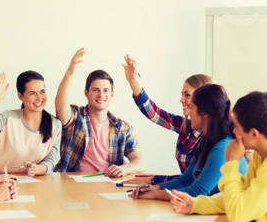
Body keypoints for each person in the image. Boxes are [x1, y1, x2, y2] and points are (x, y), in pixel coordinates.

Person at [170, 91, 267, 222]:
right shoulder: (260, 156)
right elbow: (237, 196)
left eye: (236, 126)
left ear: (254, 134)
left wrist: (231, 163)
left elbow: (238, 213)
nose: (233, 131)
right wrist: (195, 204)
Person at [130, 84, 247, 201]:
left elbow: (198, 192)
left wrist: (156, 194)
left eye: (191, 107)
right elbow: (185, 180)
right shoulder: (206, 142)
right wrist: (154, 188)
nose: (188, 113)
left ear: (205, 113)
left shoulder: (222, 148)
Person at [122, 55, 212, 184]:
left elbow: (193, 180)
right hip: (186, 194)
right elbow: (154, 113)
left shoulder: (214, 137)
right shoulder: (185, 125)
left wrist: (152, 181)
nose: (181, 100)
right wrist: (132, 80)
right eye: (182, 94)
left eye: (187, 95)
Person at [55, 48, 144, 177]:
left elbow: (140, 161)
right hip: (73, 184)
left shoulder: (122, 128)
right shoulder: (76, 117)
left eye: (106, 90)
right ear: (86, 93)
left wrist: (125, 169)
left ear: (112, 93)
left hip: (107, 183)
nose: (101, 94)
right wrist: (70, 72)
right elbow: (60, 106)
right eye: (95, 90)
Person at [0, 70, 62, 176]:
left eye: (42, 91)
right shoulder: (9, 118)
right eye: (32, 93)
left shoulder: (55, 125)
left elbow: (51, 161)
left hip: (27, 182)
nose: (39, 98)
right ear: (20, 96)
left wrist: (37, 169)